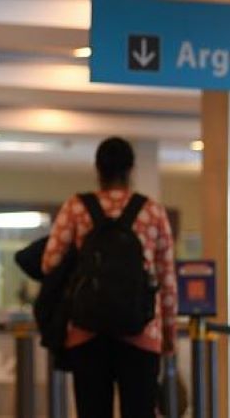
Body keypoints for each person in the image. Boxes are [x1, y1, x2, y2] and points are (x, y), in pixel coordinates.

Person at [42, 137, 177, 418]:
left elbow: (49, 263)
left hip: (86, 331)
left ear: (97, 169)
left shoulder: (77, 208)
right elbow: (166, 280)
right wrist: (168, 338)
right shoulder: (152, 211)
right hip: (142, 332)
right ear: (131, 170)